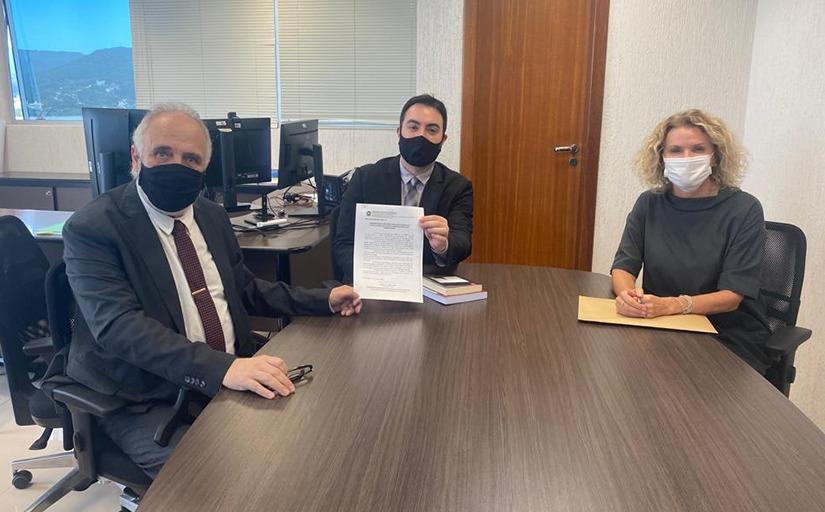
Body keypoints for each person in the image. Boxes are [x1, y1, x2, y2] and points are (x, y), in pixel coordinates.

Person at [62, 103, 362, 478]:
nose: (177, 165)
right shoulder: (94, 228)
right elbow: (120, 329)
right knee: (220, 481)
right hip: (143, 397)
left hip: (222, 376)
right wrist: (223, 369)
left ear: (204, 168)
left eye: (191, 159)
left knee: (319, 441)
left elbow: (246, 289)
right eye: (162, 153)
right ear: (136, 159)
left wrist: (323, 299)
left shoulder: (211, 215)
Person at [611, 109, 773, 373]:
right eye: (675, 150)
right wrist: (627, 295)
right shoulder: (649, 204)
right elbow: (623, 267)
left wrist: (674, 305)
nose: (686, 158)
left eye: (698, 149)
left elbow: (731, 297)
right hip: (663, 325)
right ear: (661, 157)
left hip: (726, 334)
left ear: (716, 157)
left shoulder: (744, 209)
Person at [333, 94, 473, 283]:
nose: (421, 136)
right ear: (399, 131)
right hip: (372, 283)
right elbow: (344, 244)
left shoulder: (458, 186)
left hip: (429, 283)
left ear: (443, 139)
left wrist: (443, 245)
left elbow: (463, 242)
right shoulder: (365, 178)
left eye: (431, 130)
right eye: (413, 127)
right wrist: (371, 277)